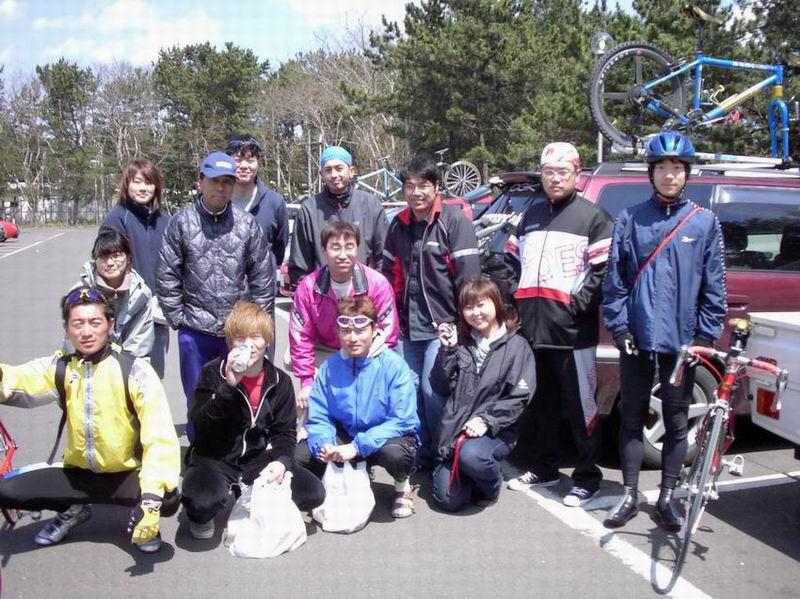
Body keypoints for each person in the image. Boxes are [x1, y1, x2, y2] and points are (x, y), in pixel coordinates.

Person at [602, 132, 726, 530]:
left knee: (676, 421)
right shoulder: (630, 218)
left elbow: (714, 287)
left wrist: (705, 337)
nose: (669, 174)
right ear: (651, 173)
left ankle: (667, 497)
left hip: (682, 342)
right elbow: (615, 281)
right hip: (637, 338)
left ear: (687, 173)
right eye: (662, 167)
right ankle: (628, 494)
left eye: (677, 168)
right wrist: (620, 326)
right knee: (631, 417)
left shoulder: (704, 223)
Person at [0, 287, 180, 552]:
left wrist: (151, 498)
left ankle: (144, 520)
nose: (86, 332)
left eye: (95, 322)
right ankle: (74, 510)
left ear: (110, 324)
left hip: (128, 473)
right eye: (78, 324)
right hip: (80, 473)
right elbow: (18, 380)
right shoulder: (61, 367)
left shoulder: (135, 371)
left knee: (166, 497)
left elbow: (160, 439)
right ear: (67, 328)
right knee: (8, 490)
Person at [505, 142, 613, 508]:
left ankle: (587, 478)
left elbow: (603, 271)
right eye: (548, 172)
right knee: (541, 406)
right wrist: (513, 298)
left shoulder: (593, 217)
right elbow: (509, 261)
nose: (554, 178)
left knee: (582, 408)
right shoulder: (531, 214)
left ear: (577, 175)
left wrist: (577, 307)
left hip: (572, 333)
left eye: (562, 172)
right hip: (532, 329)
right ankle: (544, 467)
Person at [181, 302, 325, 539]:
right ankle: (202, 514)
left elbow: (285, 432)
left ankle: (251, 493)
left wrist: (282, 461)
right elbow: (200, 425)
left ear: (267, 341)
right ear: (230, 343)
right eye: (240, 338)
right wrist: (228, 387)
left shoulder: (279, 381)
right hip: (215, 457)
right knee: (202, 502)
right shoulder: (212, 372)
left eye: (255, 337)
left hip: (256, 459)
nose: (248, 344)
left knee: (313, 493)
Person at [157, 151, 274, 440]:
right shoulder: (181, 222)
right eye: (214, 181)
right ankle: (200, 449)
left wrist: (256, 327)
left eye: (227, 182)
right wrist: (178, 318)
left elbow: (262, 278)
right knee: (199, 395)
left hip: (237, 333)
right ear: (200, 182)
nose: (220, 188)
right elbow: (167, 273)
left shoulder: (246, 224)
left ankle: (240, 450)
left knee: (241, 392)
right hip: (194, 331)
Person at [383, 157, 480, 466]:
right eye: (409, 186)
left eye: (423, 185)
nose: (416, 193)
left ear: (436, 187)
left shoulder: (453, 221)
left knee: (432, 389)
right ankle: (420, 451)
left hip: (443, 325)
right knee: (408, 391)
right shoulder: (398, 224)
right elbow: (388, 274)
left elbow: (469, 279)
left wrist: (464, 326)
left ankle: (444, 452)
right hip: (406, 327)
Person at [297, 297, 420, 519]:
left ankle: (403, 484)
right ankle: (350, 474)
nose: (353, 338)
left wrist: (358, 447)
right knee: (301, 456)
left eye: (361, 331)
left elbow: (403, 420)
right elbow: (319, 415)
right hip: (346, 435)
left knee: (397, 455)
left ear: (374, 330)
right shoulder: (330, 367)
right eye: (346, 331)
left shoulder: (394, 366)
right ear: (338, 332)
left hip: (383, 437)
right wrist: (324, 444)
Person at [429, 277, 535, 512]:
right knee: (448, 501)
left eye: (481, 305)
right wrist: (448, 350)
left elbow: (519, 397)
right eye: (469, 307)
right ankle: (467, 475)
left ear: (496, 303)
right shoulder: (461, 343)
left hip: (495, 431)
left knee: (472, 457)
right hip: (455, 432)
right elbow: (439, 387)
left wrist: (487, 420)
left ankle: (490, 486)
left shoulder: (517, 346)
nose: (475, 313)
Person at [288, 221, 399, 420]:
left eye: (349, 247)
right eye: (335, 247)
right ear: (324, 250)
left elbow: (387, 333)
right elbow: (300, 336)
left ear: (357, 248)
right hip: (325, 348)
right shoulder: (308, 287)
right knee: (310, 403)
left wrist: (365, 367)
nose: (342, 254)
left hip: (367, 350)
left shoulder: (378, 283)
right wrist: (306, 381)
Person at [102, 159, 171, 377]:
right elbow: (106, 268)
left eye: (148, 183)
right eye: (137, 182)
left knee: (153, 377)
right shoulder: (116, 219)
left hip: (158, 315)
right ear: (127, 184)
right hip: (126, 315)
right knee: (124, 377)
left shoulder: (165, 221)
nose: (143, 188)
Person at [288, 145, 387, 287]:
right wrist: (307, 293)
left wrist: (376, 289)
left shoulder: (371, 205)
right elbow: (300, 264)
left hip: (364, 293)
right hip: (321, 293)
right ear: (321, 174)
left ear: (351, 171)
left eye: (339, 168)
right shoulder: (309, 210)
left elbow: (383, 257)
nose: (334, 175)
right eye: (328, 170)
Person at [68, 227, 154, 360]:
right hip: (86, 361)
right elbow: (74, 339)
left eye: (116, 256)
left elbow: (139, 344)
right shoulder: (80, 292)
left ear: (128, 258)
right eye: (103, 257)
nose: (110, 263)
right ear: (95, 260)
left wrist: (122, 367)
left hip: (128, 363)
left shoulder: (141, 294)